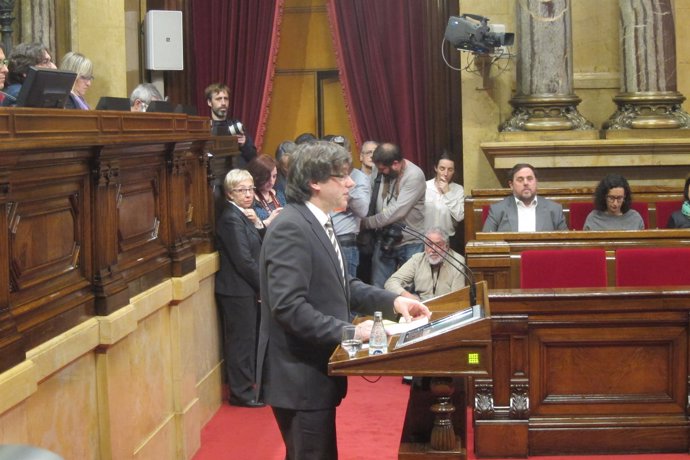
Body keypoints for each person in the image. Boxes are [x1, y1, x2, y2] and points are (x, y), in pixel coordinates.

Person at [256, 140, 431, 460]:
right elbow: (289, 308)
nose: (352, 182)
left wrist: (394, 302)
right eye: (341, 176)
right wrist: (352, 332)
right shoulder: (291, 228)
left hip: (314, 374)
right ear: (315, 183)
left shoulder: (318, 221)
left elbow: (341, 285)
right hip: (299, 377)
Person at [215, 169, 265, 408]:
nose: (248, 194)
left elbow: (256, 246)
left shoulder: (244, 214)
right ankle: (241, 393)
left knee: (248, 339)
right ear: (229, 193)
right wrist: (262, 287)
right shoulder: (231, 217)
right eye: (241, 190)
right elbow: (243, 260)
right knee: (241, 342)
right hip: (236, 290)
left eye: (250, 189)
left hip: (244, 288)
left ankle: (248, 386)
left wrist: (258, 224)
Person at [361, 142, 426, 288]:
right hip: (383, 237)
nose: (380, 172)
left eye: (383, 169)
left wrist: (366, 223)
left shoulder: (414, 175)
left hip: (410, 241)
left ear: (395, 164)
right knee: (378, 287)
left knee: (409, 290)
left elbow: (397, 211)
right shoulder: (379, 171)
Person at [327, 135, 371, 278]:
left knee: (346, 290)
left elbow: (363, 210)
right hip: (324, 238)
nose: (337, 157)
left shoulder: (358, 178)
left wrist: (345, 192)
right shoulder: (325, 176)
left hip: (345, 241)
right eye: (333, 153)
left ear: (349, 155)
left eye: (341, 153)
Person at [384, 227, 466, 301]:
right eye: (429, 244)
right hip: (420, 309)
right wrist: (406, 295)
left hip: (447, 309)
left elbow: (457, 299)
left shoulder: (458, 263)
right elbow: (391, 282)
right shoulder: (417, 260)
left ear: (447, 246)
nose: (433, 249)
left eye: (438, 245)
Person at [482, 163, 567, 232]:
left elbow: (566, 243)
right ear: (511, 185)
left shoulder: (554, 209)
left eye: (530, 179)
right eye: (520, 179)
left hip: (542, 253)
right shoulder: (497, 210)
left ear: (536, 182)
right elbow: (486, 243)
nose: (526, 183)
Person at [205, 82, 257, 165]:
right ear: (209, 102)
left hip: (237, 174)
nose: (223, 103)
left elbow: (253, 157)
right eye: (218, 99)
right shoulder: (204, 127)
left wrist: (245, 144)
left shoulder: (236, 126)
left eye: (226, 99)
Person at [424, 152, 465, 242]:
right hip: (426, 238)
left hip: (449, 238)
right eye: (442, 169)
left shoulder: (458, 189)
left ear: (454, 171)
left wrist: (447, 192)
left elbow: (460, 216)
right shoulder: (425, 187)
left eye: (450, 170)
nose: (445, 173)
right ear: (436, 168)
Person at [1, 42, 57, 106]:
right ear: (26, 70)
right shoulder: (20, 94)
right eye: (45, 62)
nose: (54, 67)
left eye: (51, 61)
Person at [247, 154, 285, 226]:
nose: (271, 182)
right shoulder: (249, 200)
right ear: (257, 177)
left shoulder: (279, 194)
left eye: (274, 176)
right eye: (267, 177)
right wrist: (268, 220)